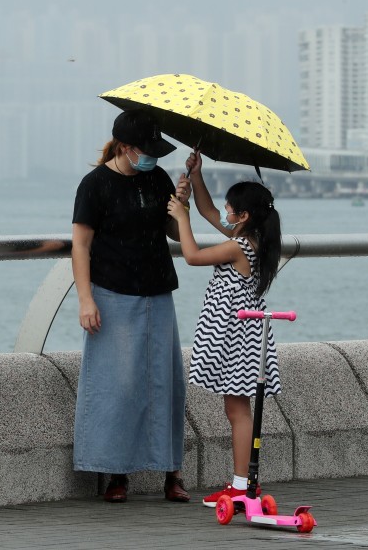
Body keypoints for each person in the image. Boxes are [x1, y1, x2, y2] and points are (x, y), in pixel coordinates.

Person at [71, 108, 191, 504]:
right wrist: (86, 299)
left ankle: (171, 472)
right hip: (112, 293)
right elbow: (81, 245)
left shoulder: (157, 178)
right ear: (125, 147)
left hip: (158, 292)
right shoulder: (95, 185)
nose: (153, 157)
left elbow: (172, 232)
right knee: (118, 386)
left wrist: (182, 205)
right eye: (146, 149)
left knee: (166, 382)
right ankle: (116, 474)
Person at [165, 151, 283, 508]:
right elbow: (209, 212)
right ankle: (243, 483)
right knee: (238, 409)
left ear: (244, 216)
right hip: (243, 333)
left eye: (231, 209)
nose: (225, 213)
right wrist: (196, 177)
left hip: (237, 336)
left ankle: (242, 485)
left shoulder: (238, 246)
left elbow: (192, 256)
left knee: (237, 410)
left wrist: (180, 216)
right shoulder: (253, 239)